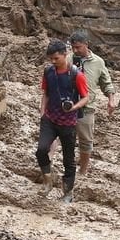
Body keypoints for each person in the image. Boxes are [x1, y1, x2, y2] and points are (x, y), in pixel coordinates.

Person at [36, 40, 89, 202]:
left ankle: (68, 193)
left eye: (56, 58)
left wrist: (74, 107)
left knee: (68, 159)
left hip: (68, 123)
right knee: (41, 150)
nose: (53, 62)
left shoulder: (76, 75)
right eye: (51, 59)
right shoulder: (48, 72)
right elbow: (45, 93)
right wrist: (42, 111)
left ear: (65, 55)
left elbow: (86, 97)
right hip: (50, 119)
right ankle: (48, 180)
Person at [68, 31, 117, 179]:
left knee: (85, 141)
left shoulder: (98, 62)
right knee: (61, 138)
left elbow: (106, 83)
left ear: (86, 44)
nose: (75, 50)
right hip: (67, 106)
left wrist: (111, 99)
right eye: (73, 47)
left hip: (87, 107)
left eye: (78, 47)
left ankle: (82, 171)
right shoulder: (67, 59)